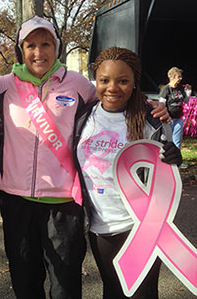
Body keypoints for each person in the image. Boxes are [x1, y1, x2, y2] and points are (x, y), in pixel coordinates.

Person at [0, 16, 169, 299]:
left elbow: (114, 97)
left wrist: (155, 108)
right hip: (17, 200)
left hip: (64, 204)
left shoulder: (79, 85)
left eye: (46, 44)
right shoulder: (2, 86)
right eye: (30, 45)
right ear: (19, 50)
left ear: (57, 47)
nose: (38, 52)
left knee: (65, 286)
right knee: (24, 281)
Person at [73, 47, 182, 299]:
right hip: (100, 227)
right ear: (95, 81)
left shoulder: (149, 118)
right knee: (112, 292)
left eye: (123, 81)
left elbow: (165, 168)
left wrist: (173, 157)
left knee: (142, 295)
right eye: (104, 80)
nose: (112, 87)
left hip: (141, 227)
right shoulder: (83, 117)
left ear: (134, 83)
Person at [159, 67, 191, 150]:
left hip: (179, 118)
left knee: (177, 140)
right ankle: (164, 159)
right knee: (167, 140)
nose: (181, 78)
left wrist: (188, 91)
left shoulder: (180, 88)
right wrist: (165, 117)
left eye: (181, 76)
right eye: (178, 77)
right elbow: (161, 105)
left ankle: (176, 161)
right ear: (172, 77)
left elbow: (186, 101)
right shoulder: (166, 89)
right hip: (168, 119)